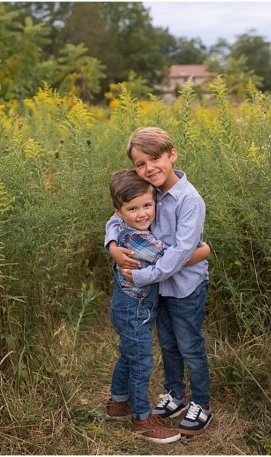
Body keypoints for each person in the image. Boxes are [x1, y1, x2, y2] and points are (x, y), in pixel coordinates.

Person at [105, 127, 214, 436]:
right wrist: (113, 247)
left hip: (184, 287)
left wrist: (142, 275)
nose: (149, 168)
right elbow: (117, 216)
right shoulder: (147, 188)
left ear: (172, 155)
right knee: (167, 344)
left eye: (155, 159)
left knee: (189, 345)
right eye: (141, 163)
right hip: (159, 289)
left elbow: (180, 253)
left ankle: (201, 404)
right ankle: (175, 396)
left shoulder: (188, 200)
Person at [103, 170, 180, 443]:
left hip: (128, 309)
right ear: (120, 211)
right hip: (135, 312)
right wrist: (203, 252)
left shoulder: (122, 229)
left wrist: (109, 243)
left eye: (147, 205)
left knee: (128, 354)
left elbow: (112, 223)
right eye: (132, 209)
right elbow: (171, 259)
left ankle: (118, 402)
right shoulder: (138, 239)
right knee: (142, 363)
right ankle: (141, 419)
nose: (142, 214)